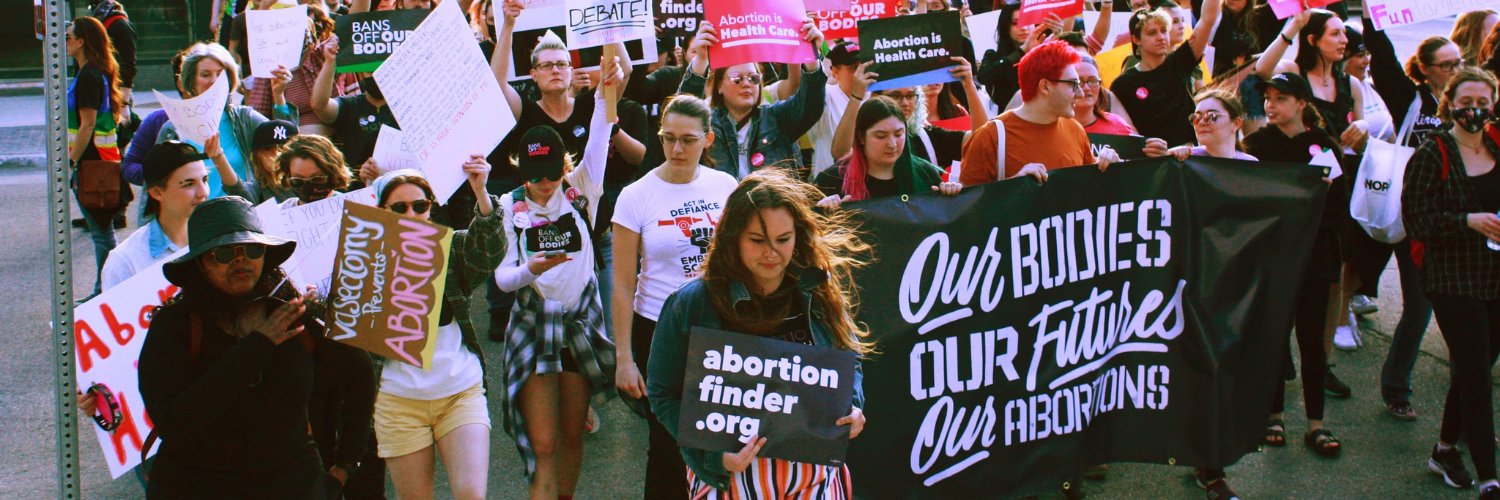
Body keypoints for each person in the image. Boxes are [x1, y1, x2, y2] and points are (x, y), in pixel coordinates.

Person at [647, 168, 869, 497]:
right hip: (736, 480)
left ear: (798, 235)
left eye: (783, 240)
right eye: (757, 240)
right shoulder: (692, 303)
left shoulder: (816, 288)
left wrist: (852, 405)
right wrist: (711, 455)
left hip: (815, 478)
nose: (771, 253)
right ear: (733, 236)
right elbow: (663, 393)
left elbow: (848, 359)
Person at [138, 196, 374, 498]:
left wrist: (345, 465)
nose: (241, 260)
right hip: (198, 487)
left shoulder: (292, 316)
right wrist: (257, 347)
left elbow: (360, 372)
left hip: (293, 486)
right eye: (223, 252)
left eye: (252, 249)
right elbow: (176, 423)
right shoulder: (174, 326)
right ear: (199, 262)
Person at [494, 75, 620, 499]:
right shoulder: (509, 205)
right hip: (534, 325)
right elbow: (503, 277)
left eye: (551, 173)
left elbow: (600, 135)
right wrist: (531, 268)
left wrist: (606, 89)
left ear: (563, 166)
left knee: (572, 434)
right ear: (521, 169)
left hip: (579, 324)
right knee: (543, 442)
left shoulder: (581, 189)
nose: (544, 184)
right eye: (535, 176)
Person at [611, 94, 739, 500]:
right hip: (660, 330)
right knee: (668, 445)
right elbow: (621, 284)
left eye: (688, 139)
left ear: (708, 139)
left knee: (724, 439)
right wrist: (624, 359)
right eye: (668, 138)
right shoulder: (636, 195)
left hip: (720, 326)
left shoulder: (726, 186)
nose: (677, 149)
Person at [366, 161, 505, 500]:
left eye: (421, 205)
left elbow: (489, 252)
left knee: (472, 495)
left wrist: (481, 192)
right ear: (382, 211)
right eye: (400, 208)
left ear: (431, 208)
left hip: (459, 392)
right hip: (399, 402)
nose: (412, 214)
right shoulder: (366, 261)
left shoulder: (450, 248)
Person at [1145, 88, 1253, 500]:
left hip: (1235, 286)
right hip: (1190, 284)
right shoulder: (1184, 162)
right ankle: (1210, 468)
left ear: (1236, 122)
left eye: (1212, 115)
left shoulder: (1254, 168)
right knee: (1201, 373)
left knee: (1225, 372)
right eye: (1197, 116)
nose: (1202, 122)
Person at [1402, 67, 1499, 495]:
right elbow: (1418, 221)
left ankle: (1444, 449)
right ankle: (1489, 475)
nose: (1475, 111)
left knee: (1474, 366)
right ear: (1450, 104)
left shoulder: (1497, 145)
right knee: (1476, 375)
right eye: (1466, 104)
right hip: (1452, 278)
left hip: (1495, 277)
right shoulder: (1432, 153)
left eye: (1483, 103)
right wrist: (1468, 221)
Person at [1243, 72, 1345, 458]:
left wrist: (1302, 225)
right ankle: (1274, 415)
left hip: (1314, 256)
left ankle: (1316, 423)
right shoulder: (1257, 143)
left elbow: (1337, 204)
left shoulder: (1321, 145)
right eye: (1268, 98)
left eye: (1281, 98)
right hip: (1271, 257)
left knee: (1312, 340)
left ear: (1302, 103)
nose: (1271, 105)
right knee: (1273, 336)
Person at [677, 19, 827, 178]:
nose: (746, 84)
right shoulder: (707, 123)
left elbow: (811, 106)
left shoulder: (777, 117)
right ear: (719, 86)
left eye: (753, 78)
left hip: (773, 201)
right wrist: (701, 60)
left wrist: (811, 57)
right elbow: (682, 116)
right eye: (737, 78)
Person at [960, 41, 1118, 186]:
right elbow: (968, 207)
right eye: (1073, 84)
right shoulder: (990, 137)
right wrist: (1013, 186)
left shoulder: (1075, 129)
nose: (1081, 94)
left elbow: (1088, 192)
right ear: (1045, 86)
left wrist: (1108, 166)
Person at [158, 42, 297, 199]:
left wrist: (279, 97)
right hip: (195, 219)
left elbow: (288, 144)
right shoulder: (172, 129)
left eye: (220, 74)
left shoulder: (245, 119)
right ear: (191, 82)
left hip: (243, 215)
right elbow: (156, 185)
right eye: (205, 74)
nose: (214, 80)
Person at [68, 17, 128, 298]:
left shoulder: (89, 76)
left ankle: (105, 292)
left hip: (92, 164)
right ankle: (106, 289)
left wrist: (70, 161)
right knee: (103, 233)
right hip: (101, 160)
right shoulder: (94, 72)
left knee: (102, 235)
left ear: (81, 41)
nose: (65, 42)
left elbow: (87, 124)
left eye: (68, 37)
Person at [1256, 9, 1370, 152]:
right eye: (1335, 34)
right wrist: (1295, 25)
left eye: (1344, 33)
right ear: (1312, 40)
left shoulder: (1351, 83)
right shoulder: (1294, 71)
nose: (1344, 40)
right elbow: (1262, 69)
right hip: (1298, 162)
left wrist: (1363, 127)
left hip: (1338, 168)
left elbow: (1360, 149)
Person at [816, 96, 963, 207]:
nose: (892, 144)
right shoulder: (831, 181)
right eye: (881, 136)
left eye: (899, 134)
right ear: (861, 137)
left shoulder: (926, 174)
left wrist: (951, 197)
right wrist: (822, 213)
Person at [1110, 0, 1221, 146]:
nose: (1161, 37)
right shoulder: (1123, 85)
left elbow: (1207, 20)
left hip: (1188, 156)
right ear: (1136, 39)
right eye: (1152, 33)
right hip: (1152, 162)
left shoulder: (1180, 61)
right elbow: (1126, 132)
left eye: (1164, 31)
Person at [101, 142, 209, 289]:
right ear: (157, 192)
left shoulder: (218, 239)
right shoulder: (125, 261)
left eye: (205, 180)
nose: (203, 192)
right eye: (188, 184)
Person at [1363, 17, 1462, 149]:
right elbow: (1382, 54)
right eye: (1446, 65)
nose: (1455, 71)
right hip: (1419, 167)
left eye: (1458, 63)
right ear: (1424, 68)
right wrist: (1370, 18)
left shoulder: (1469, 97)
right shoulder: (1409, 98)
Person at [310, 41, 396, 174]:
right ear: (361, 75)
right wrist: (330, 62)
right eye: (371, 72)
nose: (377, 76)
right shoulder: (349, 106)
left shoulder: (405, 108)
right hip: (357, 188)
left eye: (382, 70)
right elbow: (319, 105)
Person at [276, 134, 352, 207]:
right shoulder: (277, 215)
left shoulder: (352, 208)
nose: (308, 188)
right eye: (297, 181)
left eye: (318, 179)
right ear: (288, 177)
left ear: (334, 174)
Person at [1074, 56, 1137, 135]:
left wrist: (1155, 146)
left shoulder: (1118, 126)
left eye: (1093, 80)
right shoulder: (1055, 126)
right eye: (1079, 82)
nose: (1086, 88)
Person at [250, 119, 299, 203]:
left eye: (284, 148)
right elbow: (236, 187)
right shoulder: (256, 191)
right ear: (257, 157)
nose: (278, 155)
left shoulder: (312, 182)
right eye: (268, 149)